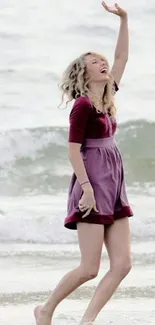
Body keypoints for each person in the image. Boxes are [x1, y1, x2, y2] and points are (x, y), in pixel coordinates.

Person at [34, 2, 133, 325]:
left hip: (113, 182)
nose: (104, 64)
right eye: (95, 62)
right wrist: (87, 190)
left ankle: (86, 321)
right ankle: (46, 308)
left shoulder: (107, 96)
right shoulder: (82, 106)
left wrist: (124, 19)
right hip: (92, 182)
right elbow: (73, 150)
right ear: (84, 72)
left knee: (122, 265)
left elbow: (121, 58)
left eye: (102, 61)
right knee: (90, 267)